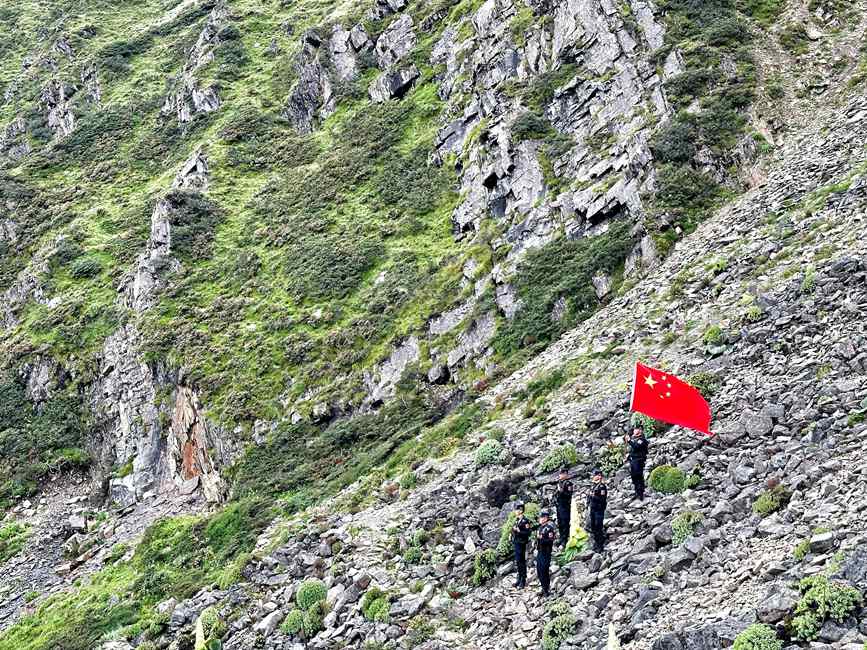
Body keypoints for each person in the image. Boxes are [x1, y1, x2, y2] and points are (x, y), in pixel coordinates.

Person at [535, 509, 557, 596]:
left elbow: (550, 541)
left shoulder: (549, 529)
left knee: (544, 570)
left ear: (545, 518)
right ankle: (543, 587)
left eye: (541, 517)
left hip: (546, 552)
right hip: (540, 551)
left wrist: (542, 538)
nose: (540, 519)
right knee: (539, 570)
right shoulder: (540, 528)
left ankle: (546, 589)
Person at [511, 502, 533, 589]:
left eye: (516, 509)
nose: (515, 511)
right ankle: (519, 578)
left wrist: (519, 531)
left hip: (521, 543)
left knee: (521, 561)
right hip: (516, 542)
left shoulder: (525, 521)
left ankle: (523, 580)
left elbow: (528, 533)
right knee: (518, 561)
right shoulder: (517, 520)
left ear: (521, 510)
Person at [625, 424, 649, 500]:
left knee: (638, 476)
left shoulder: (642, 439)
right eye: (635, 429)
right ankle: (636, 492)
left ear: (640, 430)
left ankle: (640, 493)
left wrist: (629, 441)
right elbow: (633, 450)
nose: (635, 430)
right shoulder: (635, 439)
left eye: (637, 429)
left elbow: (636, 447)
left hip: (639, 460)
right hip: (633, 460)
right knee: (634, 477)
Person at [587, 468, 608, 553]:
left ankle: (600, 545)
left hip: (599, 509)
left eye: (595, 475)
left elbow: (602, 499)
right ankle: (596, 543)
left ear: (599, 476)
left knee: (598, 526)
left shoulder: (602, 487)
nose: (594, 477)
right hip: (593, 508)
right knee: (593, 526)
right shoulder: (593, 486)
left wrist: (593, 496)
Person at [554, 468, 575, 547]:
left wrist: (561, 492)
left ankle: (565, 539)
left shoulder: (568, 484)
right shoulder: (559, 483)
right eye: (560, 474)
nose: (560, 475)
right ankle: (561, 538)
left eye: (562, 474)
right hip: (559, 505)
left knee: (565, 522)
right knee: (560, 523)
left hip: (565, 506)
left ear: (565, 474)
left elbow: (569, 494)